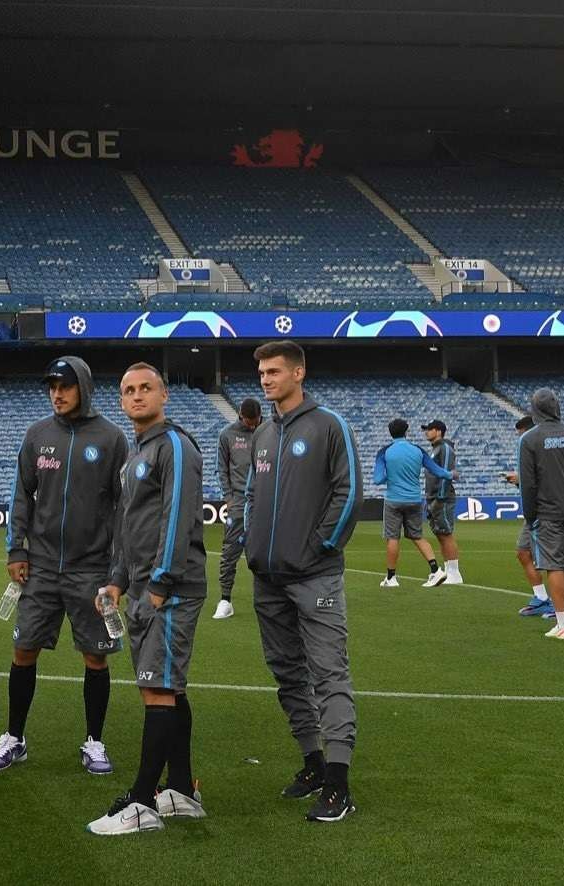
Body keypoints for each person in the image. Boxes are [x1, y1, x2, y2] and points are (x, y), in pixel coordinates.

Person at [0, 356, 129, 775]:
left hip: (91, 570)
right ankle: (14, 737)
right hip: (42, 566)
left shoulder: (111, 438)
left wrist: (116, 569)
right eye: (52, 386)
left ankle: (95, 742)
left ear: (82, 387)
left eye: (65, 385)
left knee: (95, 658)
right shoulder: (37, 435)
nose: (57, 393)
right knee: (23, 649)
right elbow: (20, 496)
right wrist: (16, 550)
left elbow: (123, 508)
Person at [241, 340, 362, 823]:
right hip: (267, 579)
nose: (266, 379)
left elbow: (348, 490)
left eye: (274, 371)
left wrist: (320, 547)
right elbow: (250, 494)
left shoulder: (329, 425)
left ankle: (339, 783)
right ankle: (313, 762)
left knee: (329, 673)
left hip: (315, 577)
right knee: (287, 674)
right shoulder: (264, 434)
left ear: (299, 373)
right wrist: (252, 545)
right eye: (262, 373)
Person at [88, 363, 208, 835]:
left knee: (157, 686)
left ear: (164, 395)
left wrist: (159, 584)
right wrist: (118, 580)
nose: (136, 396)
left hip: (169, 589)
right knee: (164, 686)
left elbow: (178, 518)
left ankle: (140, 802)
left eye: (145, 388)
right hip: (139, 587)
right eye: (127, 391)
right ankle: (180, 788)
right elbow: (126, 527)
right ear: (120, 401)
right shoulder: (135, 454)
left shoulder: (174, 446)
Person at [518, 388, 564, 641]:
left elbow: (528, 483)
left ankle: (562, 625)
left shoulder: (529, 439)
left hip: (548, 511)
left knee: (554, 565)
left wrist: (530, 515)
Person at [371, 419, 455, 589]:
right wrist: (451, 475)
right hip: (414, 500)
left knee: (392, 538)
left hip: (394, 500)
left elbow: (378, 479)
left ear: (390, 433)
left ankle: (391, 578)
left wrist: (391, 475)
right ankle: (436, 570)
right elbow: (437, 470)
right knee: (417, 536)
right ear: (406, 432)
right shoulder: (417, 450)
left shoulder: (384, 452)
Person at [213, 398, 262, 619]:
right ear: (241, 416)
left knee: (266, 551)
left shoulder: (269, 431)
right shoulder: (227, 434)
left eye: (256, 421)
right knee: (230, 550)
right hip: (239, 502)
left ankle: (269, 599)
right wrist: (229, 498)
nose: (252, 425)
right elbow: (221, 468)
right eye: (249, 421)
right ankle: (225, 599)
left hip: (265, 501)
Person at [505, 415, 555, 618]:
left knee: (553, 559)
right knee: (523, 552)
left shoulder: (546, 450)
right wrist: (520, 481)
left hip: (548, 510)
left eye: (522, 434)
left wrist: (521, 479)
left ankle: (563, 606)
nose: (521, 439)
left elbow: (548, 479)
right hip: (533, 511)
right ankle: (541, 598)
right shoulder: (529, 451)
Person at [421, 420, 463, 584]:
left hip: (442, 498)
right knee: (440, 533)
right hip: (433, 497)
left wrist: (440, 497)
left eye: (429, 429)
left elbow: (446, 474)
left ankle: (454, 573)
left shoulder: (444, 448)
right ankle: (448, 570)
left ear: (439, 431)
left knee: (445, 533)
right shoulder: (435, 449)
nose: (426, 432)